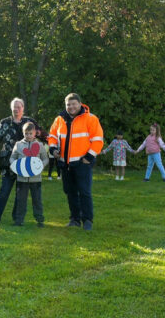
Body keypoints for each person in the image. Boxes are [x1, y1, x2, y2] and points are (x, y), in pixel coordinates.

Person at [47, 93, 104, 231]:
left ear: (80, 104)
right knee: (70, 192)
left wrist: (88, 157)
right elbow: (52, 136)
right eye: (68, 104)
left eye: (73, 104)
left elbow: (98, 140)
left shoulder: (90, 118)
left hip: (82, 163)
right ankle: (74, 219)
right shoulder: (59, 119)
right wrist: (53, 149)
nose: (71, 107)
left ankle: (87, 220)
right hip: (64, 163)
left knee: (84, 192)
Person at [0, 98, 41, 223]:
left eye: (19, 107)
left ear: (23, 108)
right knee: (4, 191)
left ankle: (17, 218)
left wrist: (56, 146)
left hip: (25, 163)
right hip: (8, 163)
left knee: (20, 194)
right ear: (11, 108)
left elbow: (42, 134)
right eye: (14, 107)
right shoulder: (5, 122)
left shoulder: (29, 122)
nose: (16, 109)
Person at [10, 122, 49, 227]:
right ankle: (19, 220)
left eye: (30, 133)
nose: (28, 136)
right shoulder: (18, 145)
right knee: (21, 200)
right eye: (26, 133)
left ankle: (40, 220)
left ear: (35, 133)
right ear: (23, 133)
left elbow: (45, 159)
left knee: (37, 200)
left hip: (36, 179)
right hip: (21, 179)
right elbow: (12, 157)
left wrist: (40, 167)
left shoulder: (40, 145)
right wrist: (15, 166)